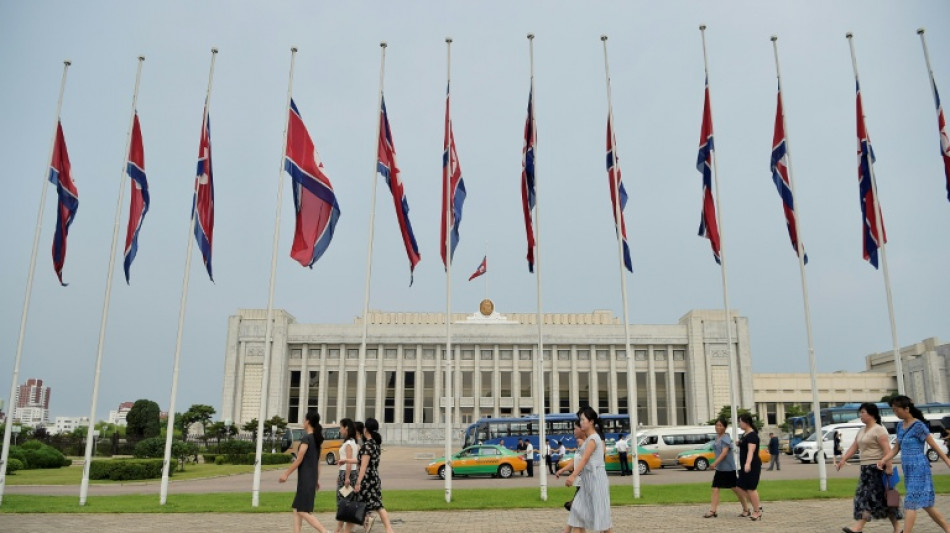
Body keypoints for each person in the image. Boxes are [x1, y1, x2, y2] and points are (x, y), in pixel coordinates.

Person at [878, 396, 950, 533]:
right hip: (908, 470)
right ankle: (948, 528)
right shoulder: (899, 426)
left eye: (896, 409)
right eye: (893, 410)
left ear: (906, 409)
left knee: (910, 501)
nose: (895, 412)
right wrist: (884, 460)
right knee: (927, 504)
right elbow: (896, 449)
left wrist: (947, 461)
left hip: (919, 468)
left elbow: (933, 445)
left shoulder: (918, 426)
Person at [836, 402, 902, 533]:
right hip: (865, 469)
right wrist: (843, 459)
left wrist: (888, 469)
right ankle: (898, 529)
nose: (860, 415)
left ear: (871, 414)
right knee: (882, 500)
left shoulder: (879, 430)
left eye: (863, 412)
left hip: (877, 469)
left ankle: (858, 528)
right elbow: (855, 446)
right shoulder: (862, 430)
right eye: (860, 412)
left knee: (867, 498)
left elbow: (887, 450)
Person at [278, 410, 330, 533]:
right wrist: (316, 479)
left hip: (306, 480)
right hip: (309, 479)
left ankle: (324, 531)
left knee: (302, 511)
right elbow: (318, 463)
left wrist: (286, 474)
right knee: (297, 509)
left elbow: (299, 459)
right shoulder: (316, 441)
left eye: (304, 420)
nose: (303, 422)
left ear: (308, 421)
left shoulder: (306, 439)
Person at [564, 406, 612, 533]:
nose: (581, 422)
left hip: (596, 482)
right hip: (587, 483)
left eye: (583, 419)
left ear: (591, 422)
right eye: (580, 420)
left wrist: (573, 476)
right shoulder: (587, 440)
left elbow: (584, 459)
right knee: (577, 513)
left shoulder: (593, 439)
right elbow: (580, 459)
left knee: (603, 522)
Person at [344, 417, 396, 533]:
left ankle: (347, 530)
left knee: (356, 506)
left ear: (366, 429)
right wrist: (347, 460)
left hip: (366, 480)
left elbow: (363, 466)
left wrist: (358, 482)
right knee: (377, 505)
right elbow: (363, 462)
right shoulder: (375, 445)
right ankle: (389, 529)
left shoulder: (367, 446)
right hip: (374, 478)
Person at [703, 416, 747, 518]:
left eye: (720, 425)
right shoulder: (716, 438)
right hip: (720, 469)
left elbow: (724, 453)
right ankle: (713, 510)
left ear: (725, 427)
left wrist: (714, 463)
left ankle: (746, 509)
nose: (717, 427)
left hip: (728, 469)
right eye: (716, 425)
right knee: (715, 488)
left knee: (736, 489)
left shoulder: (726, 438)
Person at [556, 420, 586, 533]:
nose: (573, 431)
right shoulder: (580, 446)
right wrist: (562, 470)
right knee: (577, 516)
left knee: (576, 514)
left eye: (575, 428)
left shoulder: (587, 445)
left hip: (585, 484)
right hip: (580, 484)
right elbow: (575, 461)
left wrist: (572, 476)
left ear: (582, 430)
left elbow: (585, 463)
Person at [735, 413, 763, 521]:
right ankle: (757, 505)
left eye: (740, 421)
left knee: (751, 488)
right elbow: (745, 446)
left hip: (752, 465)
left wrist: (747, 464)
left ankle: (757, 511)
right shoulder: (745, 434)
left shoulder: (752, 435)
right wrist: (739, 443)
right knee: (738, 486)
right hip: (744, 465)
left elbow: (751, 451)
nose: (739, 424)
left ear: (746, 422)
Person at [334, 418, 359, 533]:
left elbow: (349, 461)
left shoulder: (349, 443)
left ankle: (342, 529)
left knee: (343, 503)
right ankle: (340, 529)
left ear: (346, 428)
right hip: (346, 473)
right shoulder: (353, 442)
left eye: (341, 427)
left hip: (347, 474)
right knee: (345, 503)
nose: (340, 429)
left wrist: (347, 477)